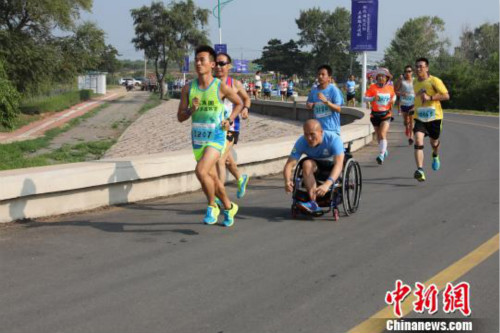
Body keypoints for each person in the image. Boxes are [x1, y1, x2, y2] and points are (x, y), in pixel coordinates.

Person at [177, 45, 243, 227]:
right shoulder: (188, 89)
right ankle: (229, 207)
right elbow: (180, 117)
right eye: (196, 60)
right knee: (212, 178)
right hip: (198, 139)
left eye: (202, 60)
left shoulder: (220, 86)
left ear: (212, 64)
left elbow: (239, 103)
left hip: (216, 137)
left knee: (200, 171)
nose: (198, 63)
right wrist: (192, 109)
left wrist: (230, 120)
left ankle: (212, 205)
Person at [283, 119, 345, 214]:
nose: (309, 138)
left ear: (321, 132)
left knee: (337, 164)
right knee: (306, 164)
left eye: (312, 134)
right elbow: (289, 164)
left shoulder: (334, 139)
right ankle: (313, 203)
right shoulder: (301, 142)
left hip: (332, 164)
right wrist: (287, 181)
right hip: (315, 164)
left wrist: (327, 184)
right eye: (306, 134)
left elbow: (339, 164)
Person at [214, 52, 251, 199]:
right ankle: (241, 179)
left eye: (222, 63)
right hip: (215, 128)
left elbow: (246, 98)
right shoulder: (212, 84)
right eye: (216, 63)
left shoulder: (235, 84)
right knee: (228, 160)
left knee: (220, 159)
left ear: (229, 66)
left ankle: (218, 195)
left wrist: (246, 108)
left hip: (231, 127)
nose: (218, 66)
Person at [412, 57, 450, 182]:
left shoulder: (434, 81)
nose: (418, 69)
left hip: (434, 117)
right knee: (418, 140)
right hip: (419, 117)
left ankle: (435, 155)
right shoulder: (415, 82)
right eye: (417, 66)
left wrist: (430, 97)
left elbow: (446, 95)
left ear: (427, 68)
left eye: (421, 66)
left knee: (434, 142)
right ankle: (420, 170)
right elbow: (416, 97)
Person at [364, 67, 396, 165]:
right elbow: (365, 98)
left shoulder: (390, 88)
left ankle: (381, 155)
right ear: (376, 78)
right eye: (379, 76)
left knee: (382, 133)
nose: (381, 78)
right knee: (378, 136)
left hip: (386, 114)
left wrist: (393, 100)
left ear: (386, 78)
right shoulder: (373, 87)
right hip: (375, 115)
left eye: (383, 76)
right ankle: (384, 149)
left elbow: (394, 95)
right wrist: (373, 98)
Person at [306, 64, 344, 136]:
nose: (320, 76)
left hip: (332, 130)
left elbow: (339, 109)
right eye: (319, 74)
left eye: (323, 74)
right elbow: (308, 104)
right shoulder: (314, 91)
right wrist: (310, 105)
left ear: (329, 77)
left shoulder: (334, 90)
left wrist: (327, 102)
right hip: (318, 131)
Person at [395, 65, 416, 145]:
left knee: (411, 121)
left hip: (412, 103)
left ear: (412, 72)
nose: (408, 73)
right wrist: (401, 93)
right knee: (406, 121)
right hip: (404, 103)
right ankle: (406, 127)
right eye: (406, 71)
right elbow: (395, 90)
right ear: (404, 73)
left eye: (409, 71)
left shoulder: (415, 80)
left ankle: (411, 137)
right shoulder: (402, 81)